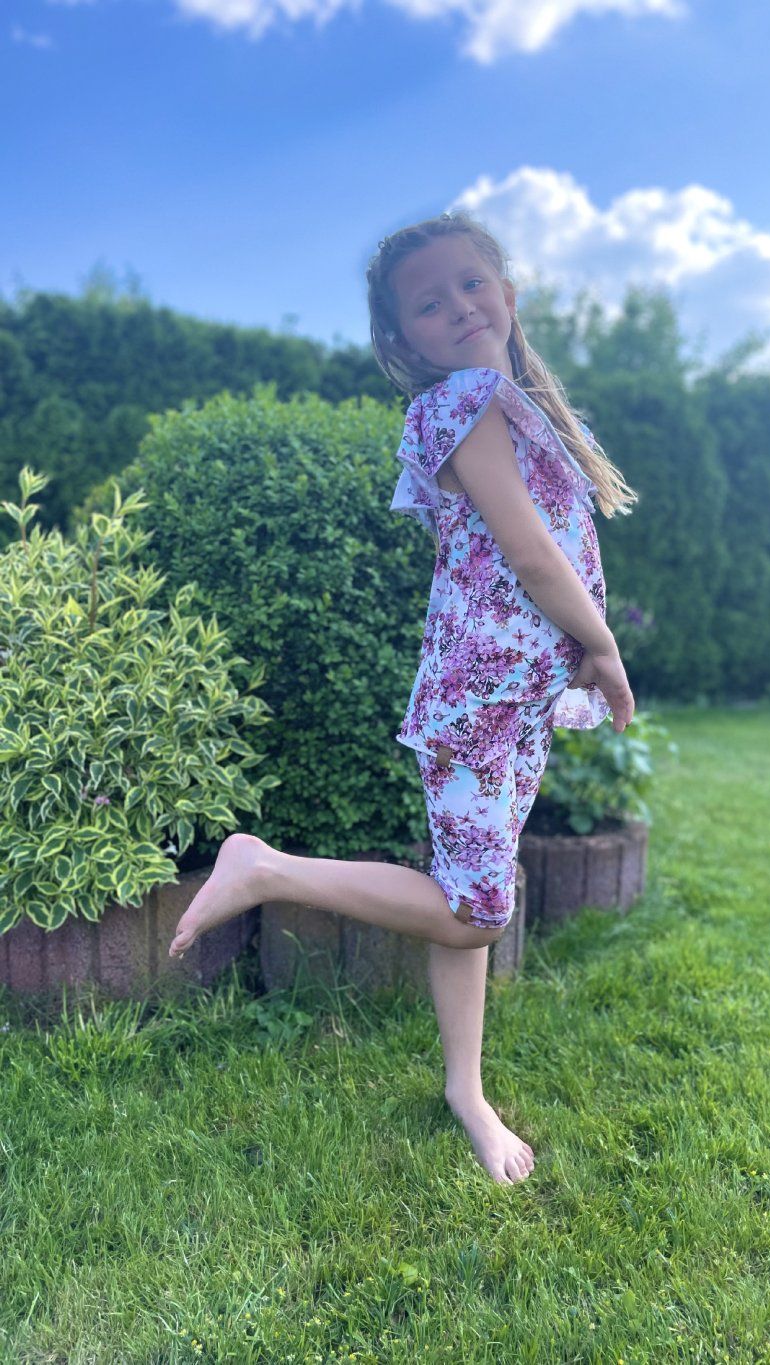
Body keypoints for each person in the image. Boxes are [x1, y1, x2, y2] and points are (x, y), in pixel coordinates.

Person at [168, 209, 639, 1186]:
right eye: (429, 303)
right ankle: (263, 868)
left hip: (510, 695)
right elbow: (528, 554)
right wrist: (603, 648)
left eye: (472, 284)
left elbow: (531, 553)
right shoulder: (463, 403)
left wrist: (569, 655)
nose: (458, 307)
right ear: (405, 338)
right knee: (475, 913)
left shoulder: (516, 406)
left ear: (507, 294)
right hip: (480, 702)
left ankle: (466, 1089)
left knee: (469, 894)